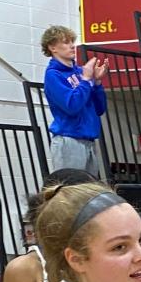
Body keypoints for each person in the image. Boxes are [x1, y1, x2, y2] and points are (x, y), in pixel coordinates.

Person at [41, 25, 106, 176]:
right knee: (70, 193)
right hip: (69, 140)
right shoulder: (53, 75)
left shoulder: (80, 72)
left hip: (88, 140)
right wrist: (86, 80)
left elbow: (100, 108)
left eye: (72, 41)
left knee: (88, 194)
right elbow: (72, 106)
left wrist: (96, 83)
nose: (71, 46)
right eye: (65, 42)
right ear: (52, 47)